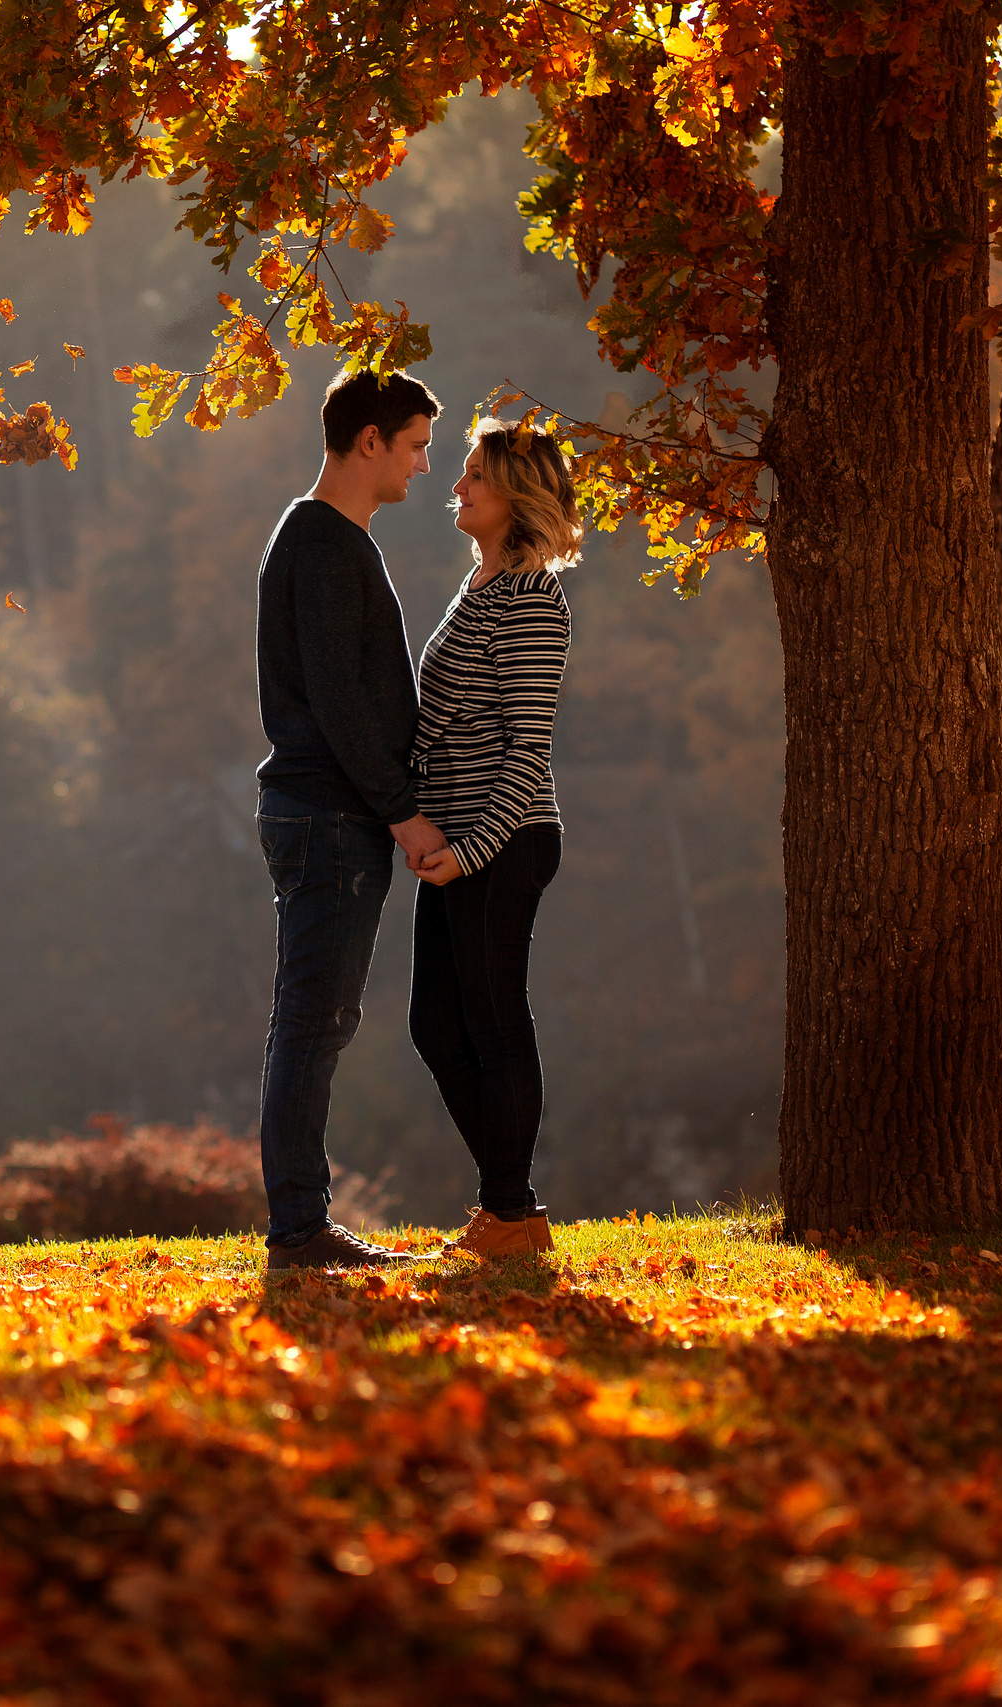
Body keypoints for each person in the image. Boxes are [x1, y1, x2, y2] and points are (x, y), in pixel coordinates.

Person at [254, 367, 448, 1272]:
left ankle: (302, 1223)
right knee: (313, 1021)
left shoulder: (330, 539)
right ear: (369, 440)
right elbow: (339, 698)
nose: (422, 466)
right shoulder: (326, 543)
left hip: (327, 813)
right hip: (329, 816)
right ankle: (300, 1229)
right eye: (414, 446)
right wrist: (403, 814)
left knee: (316, 1018)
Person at [408, 419, 580, 1257]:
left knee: (492, 1022)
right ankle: (512, 1208)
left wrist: (469, 852)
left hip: (502, 841)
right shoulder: (479, 586)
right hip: (454, 843)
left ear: (516, 493)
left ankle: (509, 1212)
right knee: (436, 1025)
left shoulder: (532, 600)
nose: (458, 485)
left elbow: (526, 751)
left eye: (475, 475)